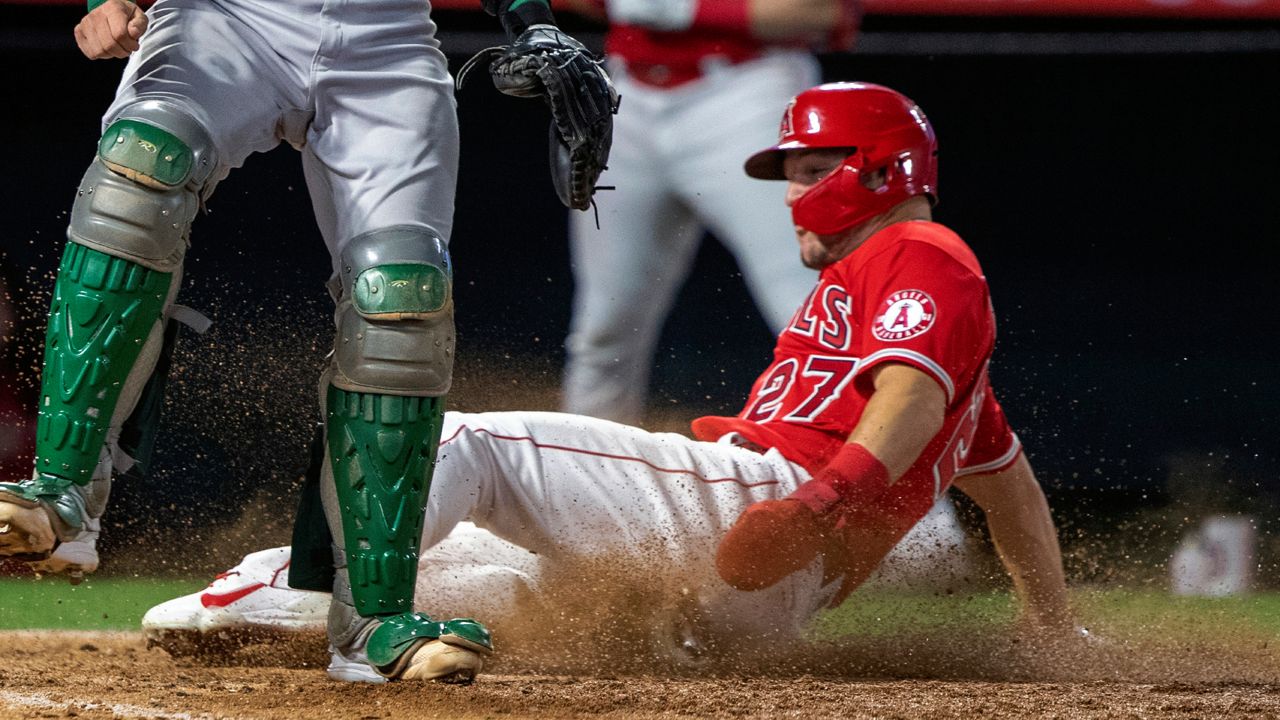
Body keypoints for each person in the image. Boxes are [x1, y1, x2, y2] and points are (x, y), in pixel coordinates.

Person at [142, 82, 1080, 673]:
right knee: (501, 582)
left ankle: (303, 598)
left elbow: (906, 398)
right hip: (762, 604)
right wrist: (1052, 628)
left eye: (806, 167)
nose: (791, 189)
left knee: (466, 442)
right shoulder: (961, 365)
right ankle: (266, 598)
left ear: (872, 170)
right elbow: (1015, 498)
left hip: (761, 502)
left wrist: (816, 507)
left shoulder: (922, 248)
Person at [0, 0, 614, 684]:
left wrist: (532, 18)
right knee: (141, 169)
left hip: (386, 38)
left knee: (401, 295)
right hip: (224, 17)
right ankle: (65, 487)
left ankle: (372, 619)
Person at [557, 0, 859, 425]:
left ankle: (902, 485)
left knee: (814, 312)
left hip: (746, 92)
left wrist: (688, 10)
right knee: (604, 328)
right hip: (624, 93)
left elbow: (823, 10)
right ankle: (580, 481)